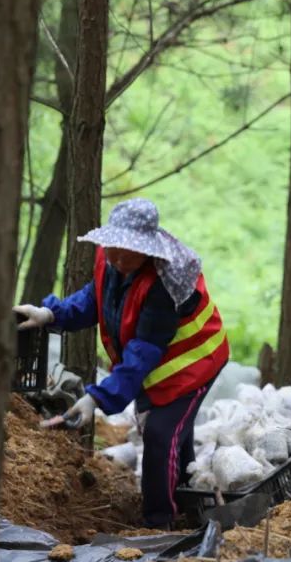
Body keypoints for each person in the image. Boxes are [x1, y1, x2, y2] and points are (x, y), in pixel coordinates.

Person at [14, 198, 230, 528]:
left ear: (147, 250)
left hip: (194, 361)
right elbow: (94, 299)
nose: (116, 258)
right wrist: (52, 313)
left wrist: (96, 398)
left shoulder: (163, 285)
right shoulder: (112, 259)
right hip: (161, 362)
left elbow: (142, 352)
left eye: (127, 252)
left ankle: (160, 524)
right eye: (112, 248)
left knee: (160, 435)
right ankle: (189, 502)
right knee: (174, 434)